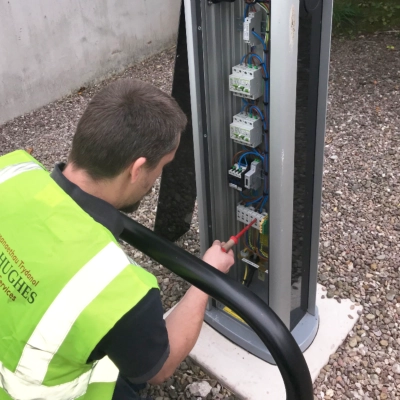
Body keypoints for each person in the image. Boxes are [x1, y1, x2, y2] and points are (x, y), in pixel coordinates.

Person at [0, 79, 234, 400]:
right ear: (137, 169)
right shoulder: (115, 287)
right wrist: (207, 276)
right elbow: (161, 368)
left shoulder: (11, 169)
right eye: (161, 167)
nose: (157, 178)